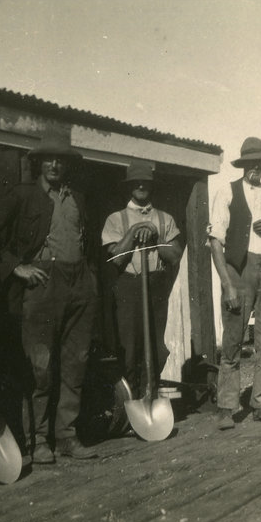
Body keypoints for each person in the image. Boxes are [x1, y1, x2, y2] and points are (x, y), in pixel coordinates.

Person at [0, 132, 99, 463]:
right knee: (40, 366)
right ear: (38, 163)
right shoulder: (23, 195)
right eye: (48, 159)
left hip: (79, 284)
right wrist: (16, 267)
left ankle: (67, 436)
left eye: (60, 160)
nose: (54, 164)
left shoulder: (77, 197)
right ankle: (38, 440)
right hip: (42, 284)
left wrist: (89, 281)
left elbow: (86, 241)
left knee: (76, 362)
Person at [208, 137, 261, 430]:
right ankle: (227, 408)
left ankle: (260, 404)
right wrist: (228, 284)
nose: (255, 168)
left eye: (260, 163)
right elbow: (215, 243)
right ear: (243, 165)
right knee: (233, 339)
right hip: (238, 270)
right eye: (250, 163)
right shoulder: (226, 193)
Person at [101, 160, 184, 404]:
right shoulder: (115, 219)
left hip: (157, 284)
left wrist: (156, 235)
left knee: (157, 347)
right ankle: (132, 402)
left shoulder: (165, 219)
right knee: (129, 347)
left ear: (151, 186)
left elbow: (175, 255)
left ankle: (151, 394)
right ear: (129, 187)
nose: (140, 187)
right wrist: (135, 231)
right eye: (136, 183)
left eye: (145, 183)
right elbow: (116, 259)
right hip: (128, 285)